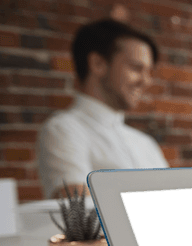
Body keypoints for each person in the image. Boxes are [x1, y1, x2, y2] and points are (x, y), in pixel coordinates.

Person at [37, 19, 168, 199]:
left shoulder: (145, 144)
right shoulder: (64, 130)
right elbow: (80, 215)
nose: (146, 81)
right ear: (98, 64)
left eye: (149, 72)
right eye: (136, 68)